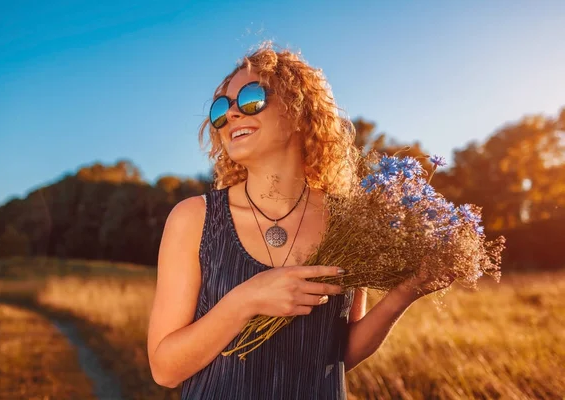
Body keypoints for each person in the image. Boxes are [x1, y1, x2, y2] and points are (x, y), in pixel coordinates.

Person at [147, 42, 454, 400]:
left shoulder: (349, 223)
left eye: (250, 99)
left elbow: (337, 354)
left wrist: (404, 294)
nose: (230, 116)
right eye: (220, 110)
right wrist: (246, 300)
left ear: (298, 109)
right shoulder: (194, 219)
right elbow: (165, 370)